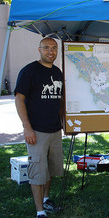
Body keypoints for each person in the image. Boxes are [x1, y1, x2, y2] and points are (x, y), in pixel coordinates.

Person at [15, 38, 64, 218]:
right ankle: (40, 212)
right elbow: (19, 99)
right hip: (36, 130)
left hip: (54, 129)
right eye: (46, 48)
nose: (50, 52)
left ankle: (46, 200)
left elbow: (59, 101)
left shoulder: (57, 72)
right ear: (39, 50)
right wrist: (27, 128)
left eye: (54, 48)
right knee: (37, 170)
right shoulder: (29, 71)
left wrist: (63, 122)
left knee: (49, 169)